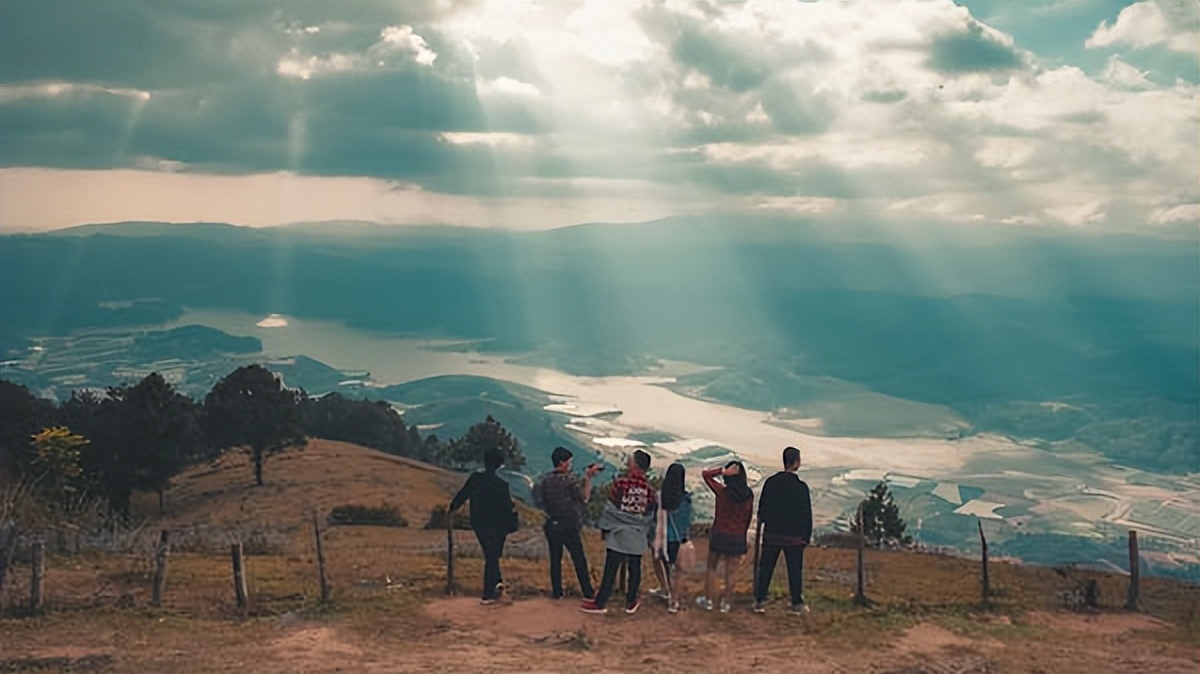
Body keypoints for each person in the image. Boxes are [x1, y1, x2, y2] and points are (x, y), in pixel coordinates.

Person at [580, 449, 657, 615]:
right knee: (635, 568)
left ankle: (601, 602)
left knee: (611, 568)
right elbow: (649, 514)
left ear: (634, 465)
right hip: (637, 535)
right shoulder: (650, 491)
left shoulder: (620, 484)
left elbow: (611, 509)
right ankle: (631, 601)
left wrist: (607, 527)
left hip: (619, 534)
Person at [449, 447, 518, 605]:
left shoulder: (475, 479)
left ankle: (498, 585)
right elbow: (507, 508)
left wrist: (452, 508)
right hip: (498, 526)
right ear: (500, 464)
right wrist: (512, 522)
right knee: (492, 557)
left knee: (491, 555)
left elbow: (463, 494)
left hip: (479, 523)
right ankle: (488, 595)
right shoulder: (502, 485)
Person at [532, 446, 602, 600]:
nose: (570, 465)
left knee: (555, 560)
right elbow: (584, 498)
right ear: (562, 462)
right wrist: (589, 478)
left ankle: (557, 592)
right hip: (569, 524)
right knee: (578, 558)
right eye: (569, 462)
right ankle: (587, 592)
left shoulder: (545, 481)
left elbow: (540, 502)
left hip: (552, 523)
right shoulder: (570, 479)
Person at [753, 446, 813, 615]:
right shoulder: (801, 488)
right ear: (797, 463)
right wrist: (806, 536)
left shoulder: (771, 483)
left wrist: (766, 523)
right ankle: (796, 603)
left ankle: (759, 600)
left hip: (772, 534)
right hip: (794, 538)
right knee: (795, 571)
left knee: (766, 568)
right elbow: (806, 513)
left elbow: (763, 509)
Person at [697, 461, 754, 613]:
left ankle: (708, 601)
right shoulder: (748, 495)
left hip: (720, 534)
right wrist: (743, 533)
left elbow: (706, 475)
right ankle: (725, 604)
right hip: (737, 536)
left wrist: (722, 471)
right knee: (732, 572)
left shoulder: (722, 492)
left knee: (711, 568)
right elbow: (748, 517)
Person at [648, 462, 693, 613]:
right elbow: (687, 521)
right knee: (679, 572)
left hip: (661, 539)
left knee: (658, 562)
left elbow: (653, 517)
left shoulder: (660, 497)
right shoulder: (685, 499)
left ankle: (664, 588)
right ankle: (674, 602)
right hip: (678, 540)